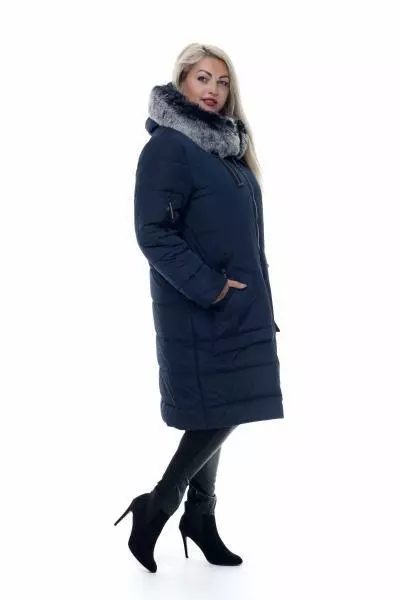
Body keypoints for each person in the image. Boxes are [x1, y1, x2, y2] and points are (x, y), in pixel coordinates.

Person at [114, 42, 284, 573]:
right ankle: (159, 505)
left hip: (237, 307)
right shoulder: (170, 147)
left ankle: (200, 516)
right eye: (203, 78)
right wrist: (211, 288)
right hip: (199, 308)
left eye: (222, 81)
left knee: (221, 408)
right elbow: (153, 232)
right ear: (182, 81)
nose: (213, 90)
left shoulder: (228, 153)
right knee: (223, 409)